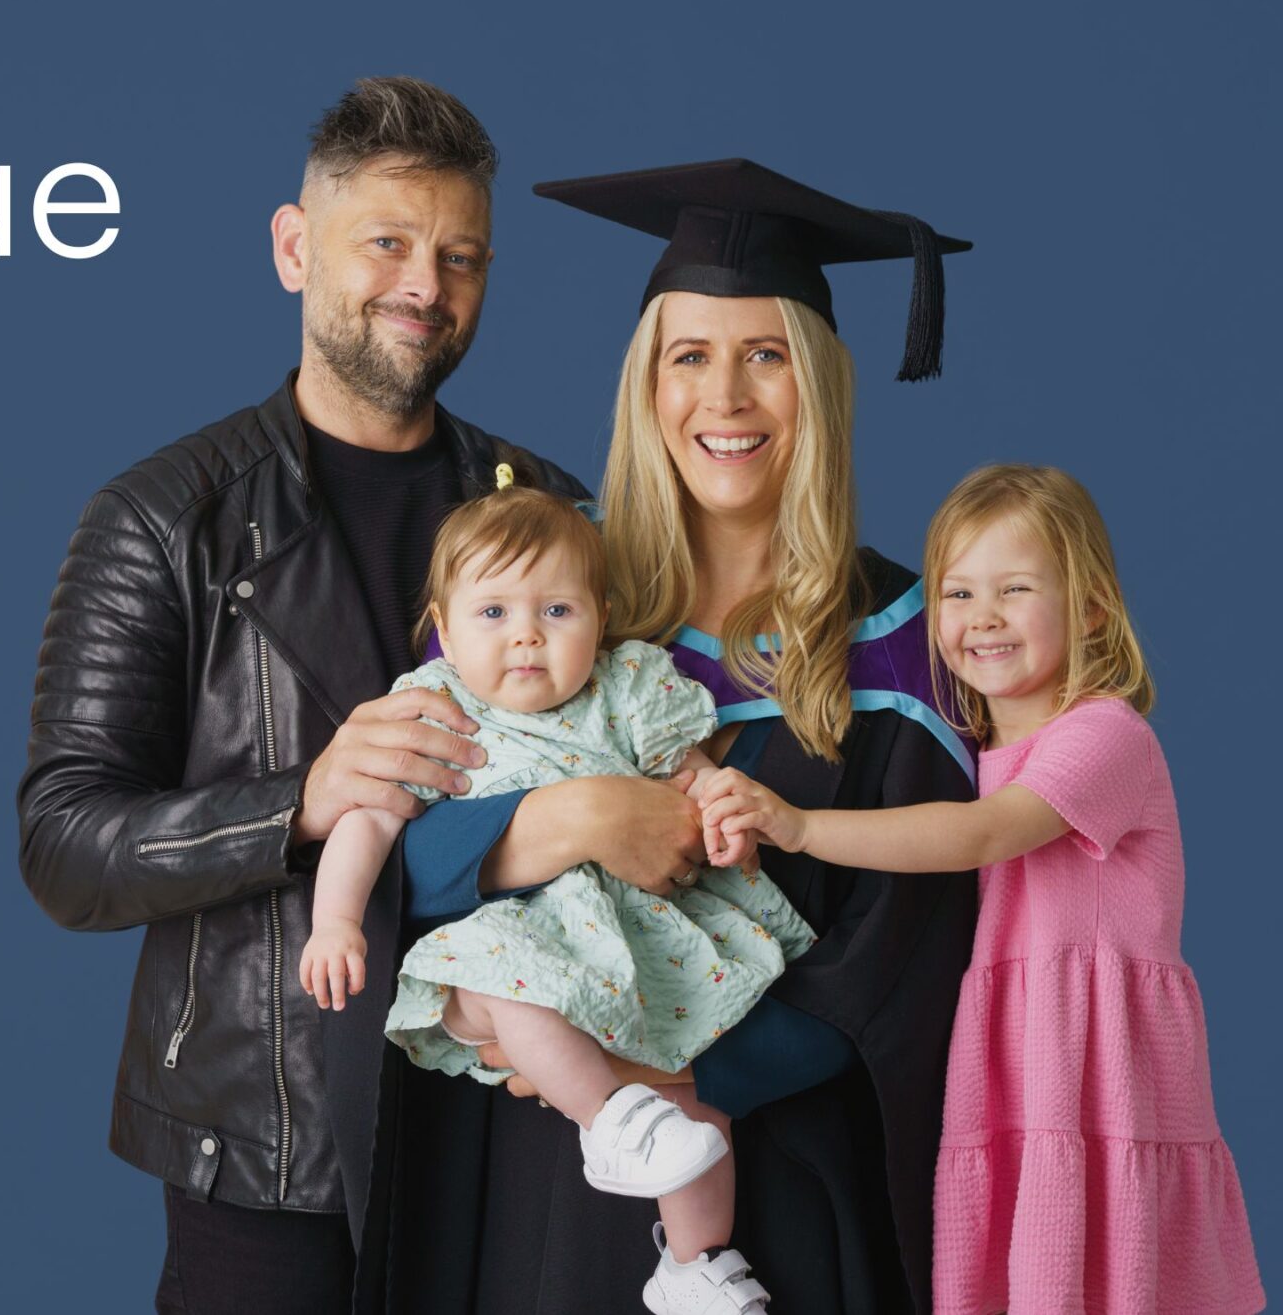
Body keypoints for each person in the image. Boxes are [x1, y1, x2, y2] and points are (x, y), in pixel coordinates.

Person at [16, 78, 622, 1315]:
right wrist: (299, 800)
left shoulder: (549, 513)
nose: (425, 286)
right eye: (387, 243)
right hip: (266, 1134)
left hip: (506, 1104)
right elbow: (63, 843)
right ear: (295, 250)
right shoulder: (160, 516)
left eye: (460, 256)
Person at [387, 160, 981, 1313]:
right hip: (549, 1192)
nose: (727, 397)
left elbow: (901, 962)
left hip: (784, 1175)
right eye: (689, 356)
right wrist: (548, 821)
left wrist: (662, 1075)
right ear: (645, 385)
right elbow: (399, 860)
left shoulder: (909, 641)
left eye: (767, 355)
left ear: (819, 382)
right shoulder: (537, 603)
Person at [691, 464, 1264, 1315]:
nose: (982, 616)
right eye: (958, 592)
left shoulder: (1104, 734)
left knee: (1110, 1270)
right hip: (1005, 1062)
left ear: (1093, 607)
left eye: (1016, 587)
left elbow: (982, 835)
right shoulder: (964, 747)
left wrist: (801, 825)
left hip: (1093, 1061)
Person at [300, 484, 809, 1312]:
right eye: (494, 611)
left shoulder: (627, 686)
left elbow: (691, 771)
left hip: (635, 941)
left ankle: (697, 1261)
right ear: (443, 624)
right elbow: (367, 822)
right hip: (514, 941)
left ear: (602, 617)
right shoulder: (436, 710)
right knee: (507, 976)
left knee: (697, 1104)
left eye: (558, 610)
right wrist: (336, 920)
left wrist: (722, 810)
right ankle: (606, 1118)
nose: (527, 634)